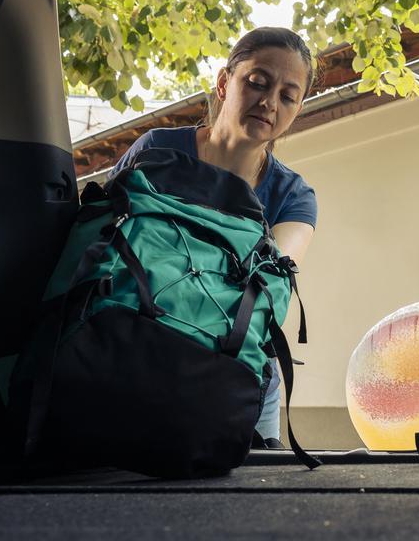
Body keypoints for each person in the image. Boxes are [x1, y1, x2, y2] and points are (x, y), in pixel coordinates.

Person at [109, 27, 319, 448]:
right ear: (225, 83)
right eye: (257, 82)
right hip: (129, 353)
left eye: (287, 95)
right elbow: (103, 238)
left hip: (233, 375)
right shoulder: (157, 151)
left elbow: (268, 286)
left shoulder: (294, 197)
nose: (268, 102)